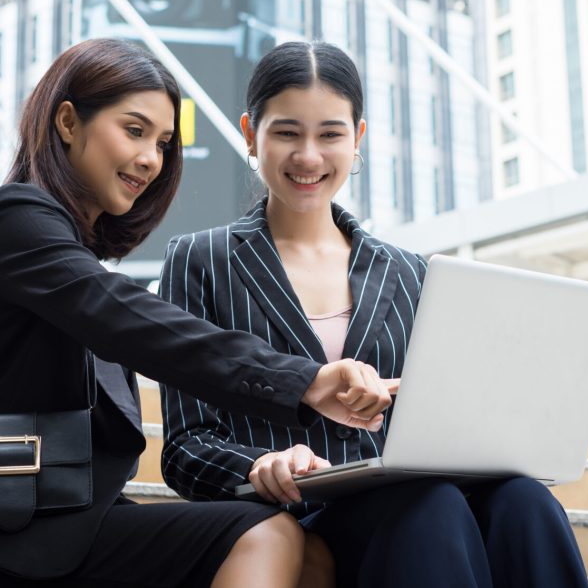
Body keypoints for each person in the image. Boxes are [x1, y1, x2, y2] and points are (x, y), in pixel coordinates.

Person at [160, 40, 588, 588]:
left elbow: (447, 425)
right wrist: (254, 466)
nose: (309, 156)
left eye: (331, 134)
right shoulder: (202, 261)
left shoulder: (412, 273)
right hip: (298, 512)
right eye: (287, 132)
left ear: (357, 138)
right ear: (250, 133)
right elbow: (184, 448)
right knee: (428, 507)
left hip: (419, 499)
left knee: (526, 501)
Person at [0, 37, 395, 588]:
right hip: (23, 529)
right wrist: (305, 380)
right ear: (68, 122)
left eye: (163, 142)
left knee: (311, 558)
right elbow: (129, 322)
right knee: (268, 534)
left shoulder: (74, 258)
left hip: (70, 523)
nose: (150, 159)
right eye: (134, 131)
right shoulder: (17, 219)